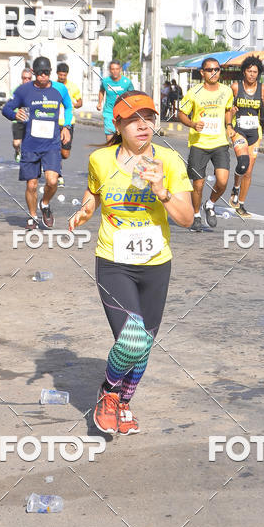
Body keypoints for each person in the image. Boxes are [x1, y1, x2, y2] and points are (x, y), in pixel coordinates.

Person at [69, 90, 193, 435]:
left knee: (145, 344)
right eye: (134, 119)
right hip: (114, 261)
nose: (143, 125)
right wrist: (84, 211)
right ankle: (108, 395)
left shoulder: (168, 162)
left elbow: (186, 217)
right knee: (132, 340)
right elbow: (94, 193)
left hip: (156, 263)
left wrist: (162, 191)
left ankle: (124, 403)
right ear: (118, 124)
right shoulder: (101, 160)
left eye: (149, 118)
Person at [1, 56, 72, 230]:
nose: (43, 76)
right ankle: (32, 216)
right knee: (31, 184)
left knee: (53, 181)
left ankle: (45, 204)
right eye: (39, 73)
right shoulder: (24, 91)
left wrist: (66, 126)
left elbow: (69, 107)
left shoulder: (59, 90)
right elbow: (6, 108)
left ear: (50, 73)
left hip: (52, 144)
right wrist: (14, 115)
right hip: (30, 144)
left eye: (46, 73)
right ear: (33, 73)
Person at [177, 57, 234, 232]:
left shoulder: (227, 91)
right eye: (210, 70)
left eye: (217, 69)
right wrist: (193, 124)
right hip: (199, 143)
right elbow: (181, 113)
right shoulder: (194, 92)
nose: (214, 73)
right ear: (202, 73)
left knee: (223, 181)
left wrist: (229, 126)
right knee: (198, 184)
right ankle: (196, 216)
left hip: (219, 142)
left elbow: (228, 110)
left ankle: (210, 204)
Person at [229, 56, 264, 216]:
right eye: (249, 71)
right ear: (244, 72)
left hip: (255, 131)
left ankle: (240, 204)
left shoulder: (263, 89)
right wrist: (229, 118)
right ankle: (235, 186)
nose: (252, 74)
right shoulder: (235, 87)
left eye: (255, 72)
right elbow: (227, 109)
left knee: (248, 171)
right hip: (238, 129)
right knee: (242, 162)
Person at [55, 62, 83, 186]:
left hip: (68, 122)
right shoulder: (52, 86)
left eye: (64, 75)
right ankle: (58, 174)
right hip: (54, 122)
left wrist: (74, 104)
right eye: (60, 75)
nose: (62, 77)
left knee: (65, 153)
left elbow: (80, 101)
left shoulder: (72, 86)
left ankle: (55, 163)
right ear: (57, 74)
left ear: (67, 75)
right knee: (55, 149)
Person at [97, 60, 133, 139]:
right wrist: (99, 103)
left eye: (117, 69)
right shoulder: (105, 81)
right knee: (110, 140)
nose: (115, 71)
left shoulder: (127, 82)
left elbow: (132, 96)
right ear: (110, 70)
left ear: (120, 69)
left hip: (123, 114)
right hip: (109, 113)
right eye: (112, 69)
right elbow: (101, 91)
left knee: (123, 140)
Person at [11, 67, 33, 162]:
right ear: (22, 78)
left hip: (31, 121)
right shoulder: (17, 90)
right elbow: (10, 105)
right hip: (18, 120)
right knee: (16, 143)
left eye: (29, 78)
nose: (27, 80)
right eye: (24, 78)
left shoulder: (35, 90)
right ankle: (17, 151)